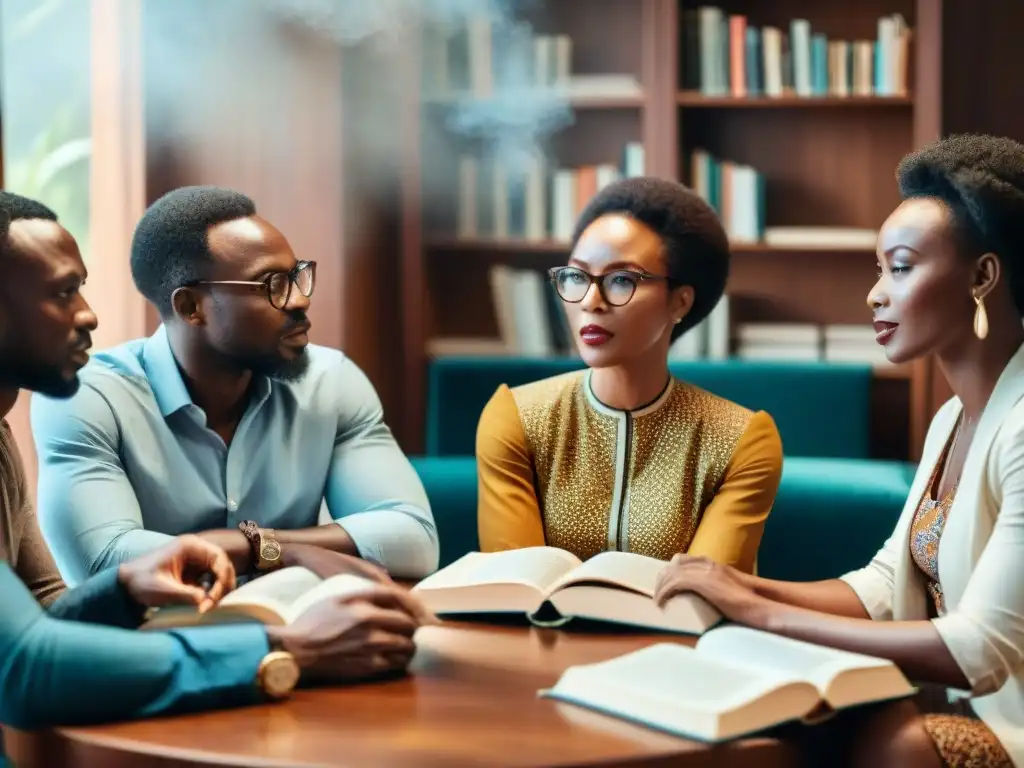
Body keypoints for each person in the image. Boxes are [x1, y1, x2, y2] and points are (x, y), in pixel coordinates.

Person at [0, 190, 435, 730]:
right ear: (190, 307)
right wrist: (288, 649)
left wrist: (132, 585)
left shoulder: (0, 437)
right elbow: (23, 667)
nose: (89, 315)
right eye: (65, 293)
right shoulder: (94, 395)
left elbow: (45, 613)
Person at [654, 134, 1024, 767]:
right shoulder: (950, 421)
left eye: (901, 268)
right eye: (878, 270)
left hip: (1008, 717)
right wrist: (738, 586)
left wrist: (757, 614)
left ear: (982, 277)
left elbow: (979, 648)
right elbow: (884, 584)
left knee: (895, 743)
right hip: (958, 700)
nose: (876, 294)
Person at [30, 186, 438, 587]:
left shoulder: (329, 381)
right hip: (152, 644)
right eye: (271, 284)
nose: (298, 300)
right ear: (191, 307)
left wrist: (265, 545)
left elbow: (415, 538)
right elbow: (105, 562)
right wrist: (286, 552)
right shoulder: (88, 395)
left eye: (297, 276)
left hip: (303, 634)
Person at [476, 177, 783, 572]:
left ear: (680, 302)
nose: (591, 301)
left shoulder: (739, 440)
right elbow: (513, 586)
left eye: (622, 280)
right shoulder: (516, 417)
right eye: (576, 276)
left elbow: (702, 599)